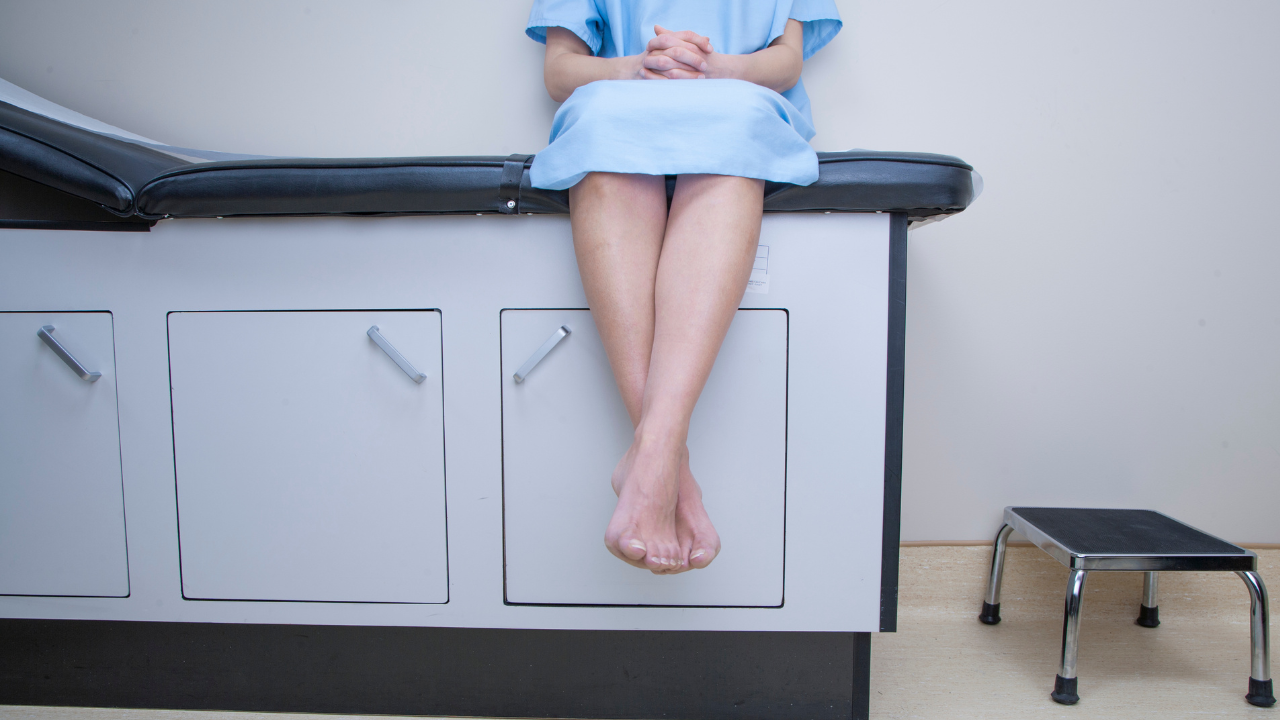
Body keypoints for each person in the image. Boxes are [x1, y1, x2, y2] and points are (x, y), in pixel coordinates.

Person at [526, 0, 841, 575]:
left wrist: (711, 67)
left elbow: (786, 60)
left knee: (734, 119)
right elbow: (560, 70)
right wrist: (638, 67)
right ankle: (669, 467)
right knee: (601, 119)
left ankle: (650, 458)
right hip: (620, 102)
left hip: (735, 100)